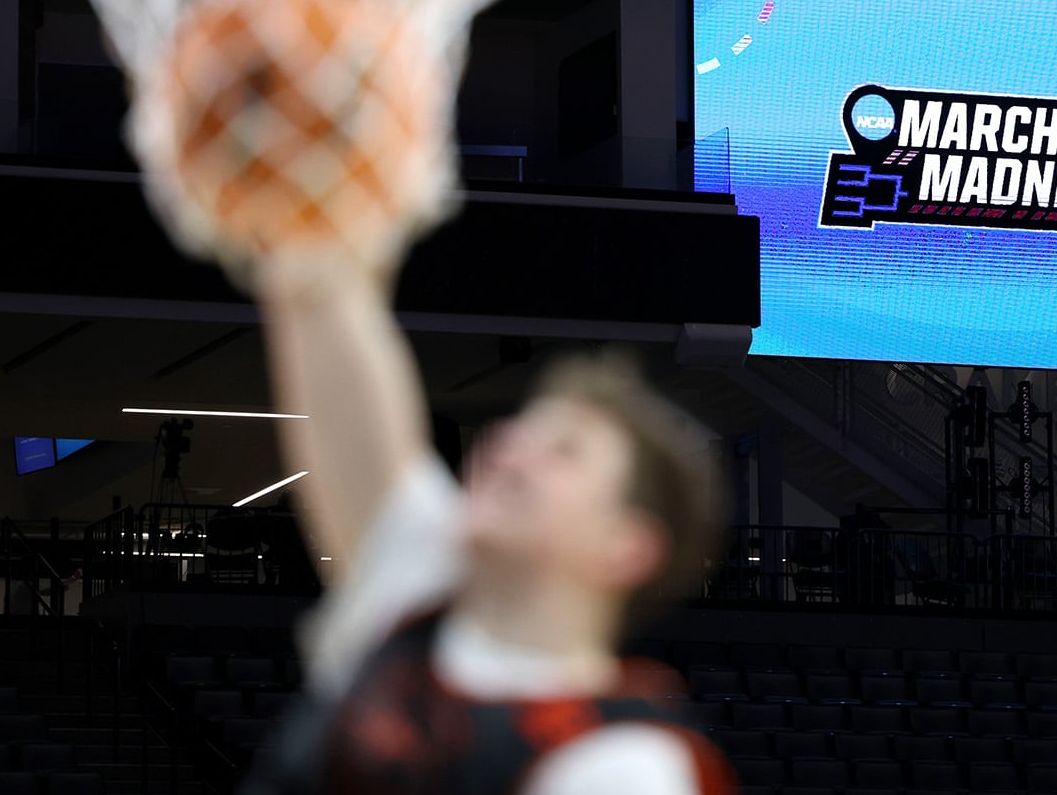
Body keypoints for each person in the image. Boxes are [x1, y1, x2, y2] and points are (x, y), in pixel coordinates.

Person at [240, 255, 733, 795]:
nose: (510, 445)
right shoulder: (415, 597)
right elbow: (335, 364)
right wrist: (311, 248)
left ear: (626, 545)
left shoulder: (628, 766)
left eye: (564, 452)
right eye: (522, 427)